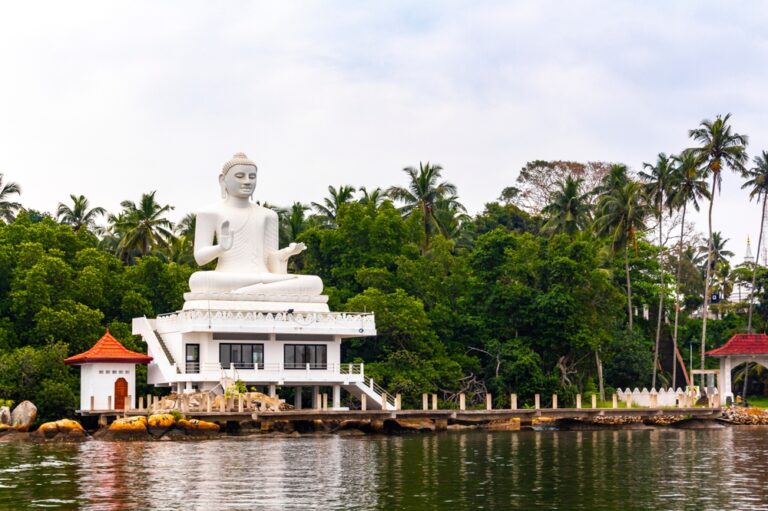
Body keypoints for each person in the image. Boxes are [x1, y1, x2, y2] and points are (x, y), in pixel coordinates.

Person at [187, 152, 323, 296]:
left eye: (252, 177)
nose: (247, 181)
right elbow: (200, 259)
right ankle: (260, 291)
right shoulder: (209, 213)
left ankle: (248, 292)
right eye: (240, 176)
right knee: (199, 280)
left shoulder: (268, 215)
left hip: (263, 276)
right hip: (227, 277)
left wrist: (284, 255)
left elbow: (271, 261)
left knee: (315, 283)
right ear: (223, 180)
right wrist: (221, 247)